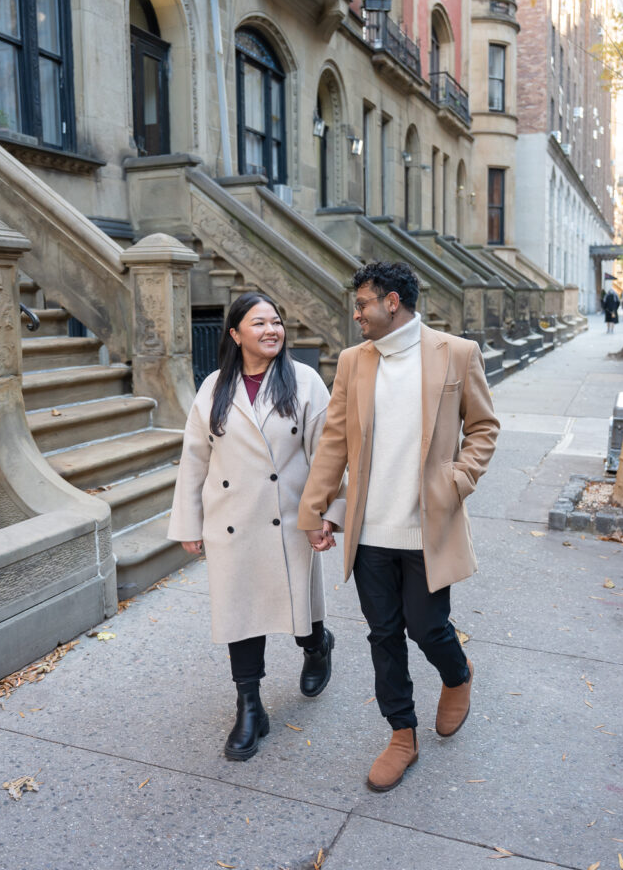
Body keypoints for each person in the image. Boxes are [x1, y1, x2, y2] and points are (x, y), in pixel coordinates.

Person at [298, 261, 499, 793]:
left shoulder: (455, 353)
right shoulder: (352, 362)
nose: (356, 314)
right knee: (384, 634)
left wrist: (457, 480)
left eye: (362, 304)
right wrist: (318, 510)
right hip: (370, 533)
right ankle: (402, 735)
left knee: (428, 627)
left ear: (392, 301)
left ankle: (457, 675)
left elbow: (483, 428)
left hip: (427, 529)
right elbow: (334, 442)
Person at [168, 292, 344, 761]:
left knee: (298, 608)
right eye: (259, 323)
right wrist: (190, 520)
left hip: (290, 517)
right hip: (231, 521)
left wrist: (327, 515)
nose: (271, 330)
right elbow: (194, 459)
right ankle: (249, 706)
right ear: (234, 334)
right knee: (240, 613)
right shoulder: (213, 387)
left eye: (277, 322)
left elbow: (328, 455)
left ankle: (317, 644)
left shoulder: (304, 381)